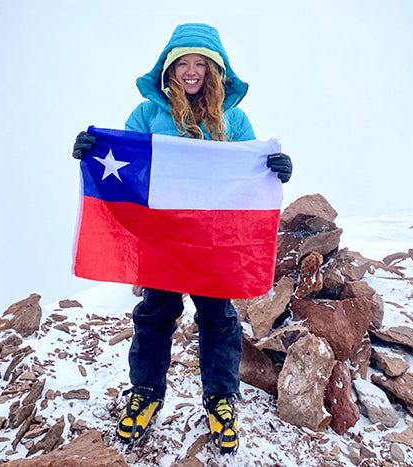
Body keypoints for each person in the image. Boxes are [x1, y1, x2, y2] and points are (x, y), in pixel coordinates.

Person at [72, 22, 292, 455]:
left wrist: (276, 167)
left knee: (217, 318)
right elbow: (128, 165)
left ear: (215, 69)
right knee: (156, 314)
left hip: (214, 240)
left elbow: (249, 169)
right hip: (162, 240)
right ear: (168, 69)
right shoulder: (148, 114)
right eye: (182, 64)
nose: (191, 72)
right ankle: (147, 393)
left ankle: (221, 399)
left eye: (200, 64)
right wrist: (92, 151)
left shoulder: (234, 118)